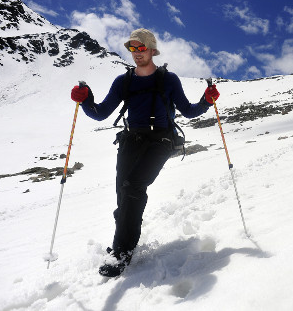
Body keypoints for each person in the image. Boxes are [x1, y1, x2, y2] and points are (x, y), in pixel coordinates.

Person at [70, 28, 220, 277]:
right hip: (131, 140)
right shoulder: (123, 82)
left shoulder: (168, 80)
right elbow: (100, 113)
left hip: (161, 140)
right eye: (132, 48)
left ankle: (121, 253)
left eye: (141, 48)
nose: (136, 53)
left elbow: (189, 110)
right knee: (123, 194)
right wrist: (85, 100)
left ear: (152, 50)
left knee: (133, 187)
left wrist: (207, 100)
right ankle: (124, 241)